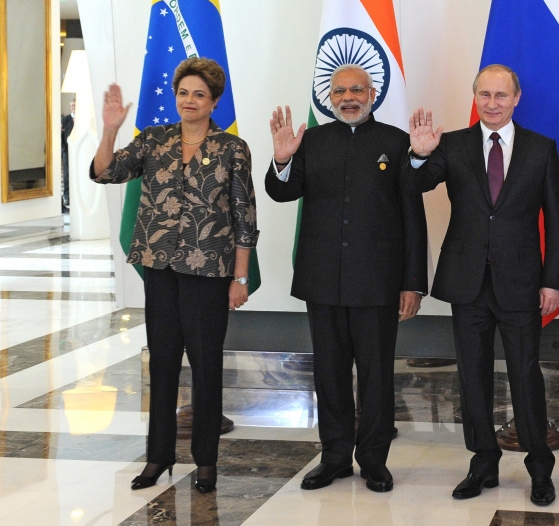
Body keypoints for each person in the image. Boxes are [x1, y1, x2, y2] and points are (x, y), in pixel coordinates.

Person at [91, 57, 257, 494]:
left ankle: (206, 462)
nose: (189, 101)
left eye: (199, 94)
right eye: (183, 92)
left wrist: (239, 279)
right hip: (160, 269)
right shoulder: (153, 140)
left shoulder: (231, 149)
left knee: (205, 367)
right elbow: (107, 172)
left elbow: (244, 217)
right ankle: (158, 458)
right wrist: (109, 129)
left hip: (208, 272)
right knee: (162, 365)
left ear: (214, 101)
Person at [407, 64, 559, 507]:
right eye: (484, 95)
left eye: (501, 96)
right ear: (474, 97)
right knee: (472, 377)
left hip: (521, 283)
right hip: (467, 282)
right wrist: (420, 155)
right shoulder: (454, 144)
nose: (492, 104)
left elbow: (557, 220)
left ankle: (539, 467)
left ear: (516, 98)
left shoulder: (540, 148)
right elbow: (418, 183)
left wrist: (554, 279)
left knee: (524, 376)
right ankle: (483, 464)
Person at [265, 64, 428, 493]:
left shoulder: (395, 142)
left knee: (376, 377)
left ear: (372, 93)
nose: (348, 97)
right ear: (329, 97)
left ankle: (374, 460)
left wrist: (412, 283)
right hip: (322, 281)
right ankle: (335, 457)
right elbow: (281, 192)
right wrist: (282, 159)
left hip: (378, 284)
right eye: (340, 91)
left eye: (357, 89)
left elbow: (414, 218)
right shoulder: (311, 141)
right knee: (329, 374)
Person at [61, 100, 75, 212]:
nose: (73, 107)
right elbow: (62, 134)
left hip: (78, 151)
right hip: (67, 150)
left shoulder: (82, 119)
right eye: (71, 106)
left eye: (74, 105)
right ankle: (67, 196)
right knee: (67, 173)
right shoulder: (65, 119)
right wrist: (63, 149)